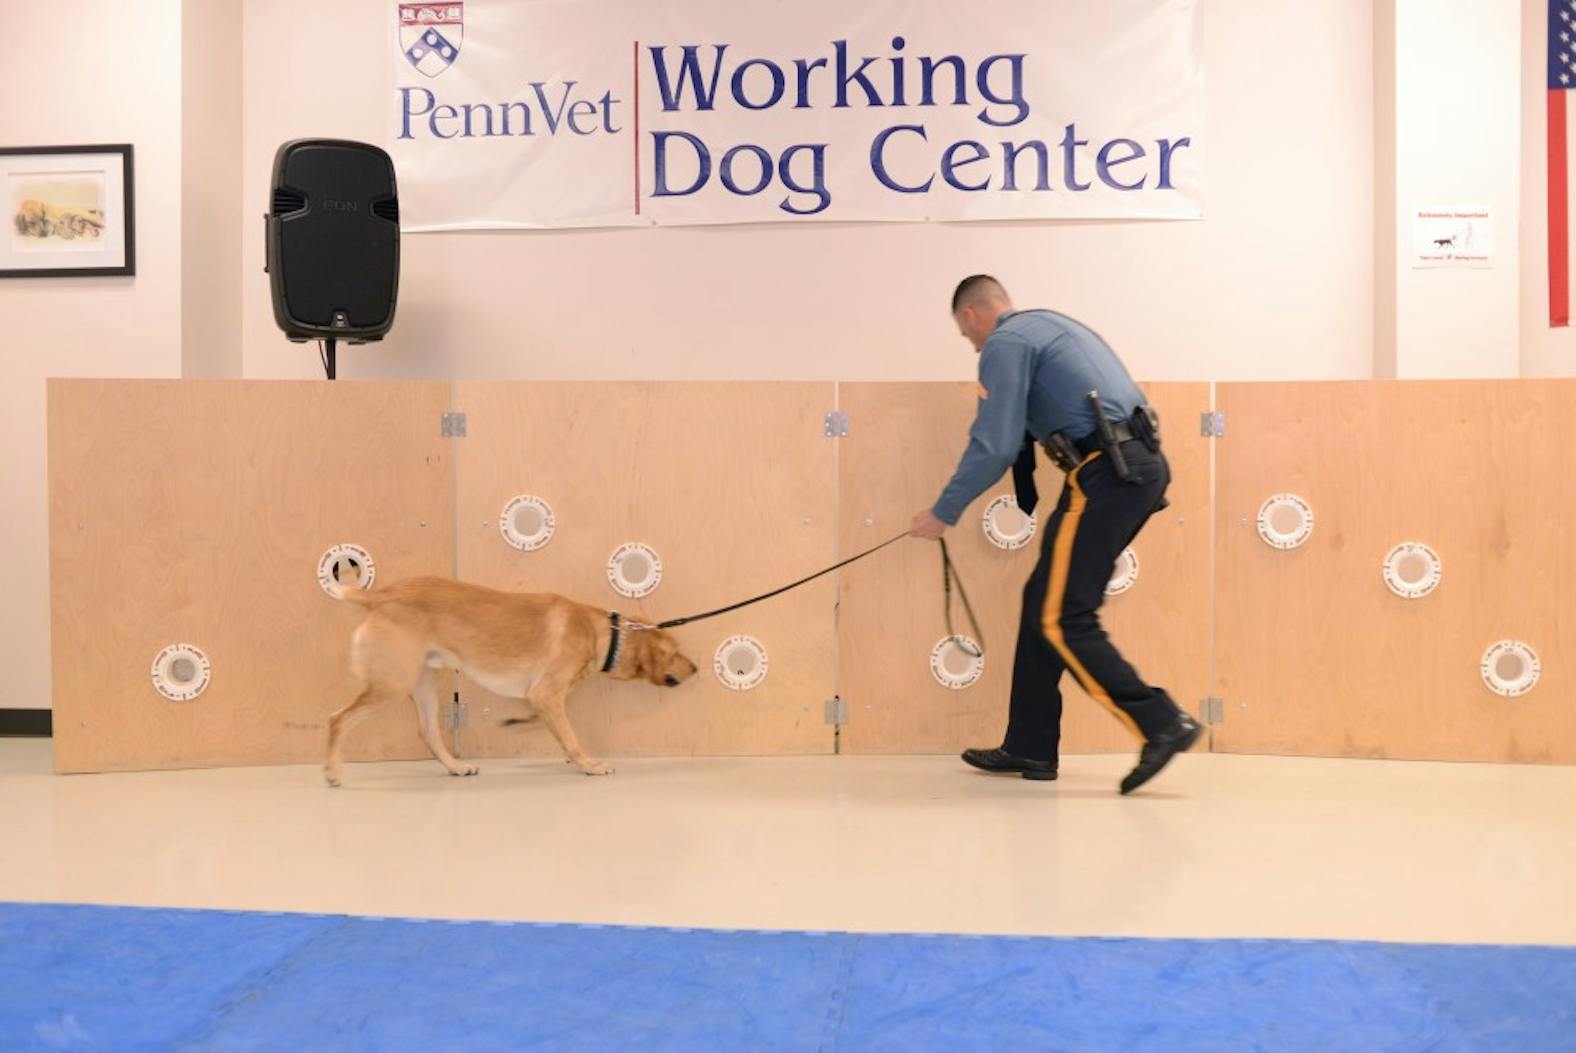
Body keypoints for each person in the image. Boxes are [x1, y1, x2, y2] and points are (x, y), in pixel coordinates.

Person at [909, 275, 1201, 795]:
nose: (971, 344)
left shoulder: (1004, 342)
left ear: (973, 315)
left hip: (1107, 472)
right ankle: (1030, 744)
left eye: (965, 333)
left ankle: (1160, 721)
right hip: (1125, 468)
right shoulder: (1050, 326)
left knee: (1063, 616)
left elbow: (994, 443)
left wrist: (943, 512)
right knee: (1041, 602)